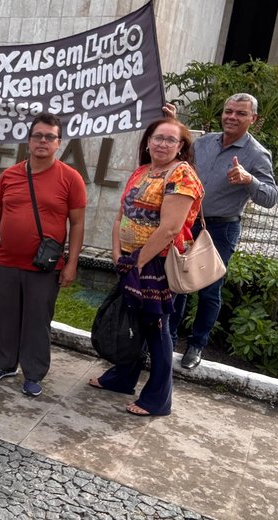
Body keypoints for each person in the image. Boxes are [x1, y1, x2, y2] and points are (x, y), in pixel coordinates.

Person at [89, 117, 204, 416]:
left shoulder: (182, 175)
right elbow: (121, 216)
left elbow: (170, 228)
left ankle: (157, 398)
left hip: (158, 264)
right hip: (131, 261)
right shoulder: (142, 171)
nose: (162, 144)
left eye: (170, 139)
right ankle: (122, 378)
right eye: (157, 138)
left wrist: (137, 262)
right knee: (133, 319)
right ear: (148, 141)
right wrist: (118, 255)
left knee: (156, 327)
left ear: (181, 146)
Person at [165, 94, 278, 370]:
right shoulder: (204, 142)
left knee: (209, 288)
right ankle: (167, 340)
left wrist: (249, 180)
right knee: (177, 282)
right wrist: (172, 123)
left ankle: (196, 345)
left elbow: (270, 197)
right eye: (229, 111)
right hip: (188, 222)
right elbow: (179, 157)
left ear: (253, 119)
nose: (232, 117)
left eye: (240, 113)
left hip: (221, 228)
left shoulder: (257, 154)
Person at [0, 114, 86, 398]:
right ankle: (4, 364)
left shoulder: (70, 178)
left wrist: (72, 263)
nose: (42, 141)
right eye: (37, 135)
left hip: (44, 266)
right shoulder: (10, 175)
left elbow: (77, 224)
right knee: (5, 317)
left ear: (58, 143)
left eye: (49, 137)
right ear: (28, 140)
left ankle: (34, 373)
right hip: (7, 261)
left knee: (37, 321)